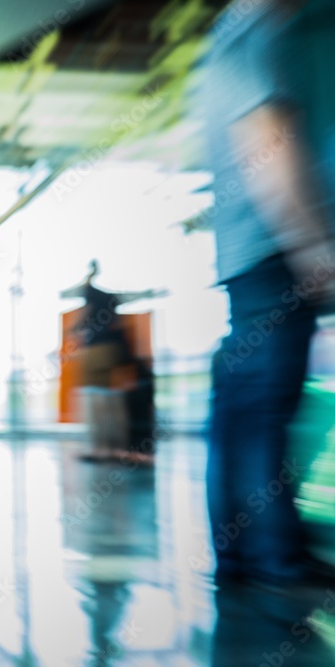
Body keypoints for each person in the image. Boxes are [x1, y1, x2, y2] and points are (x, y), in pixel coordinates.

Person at [200, 0, 335, 589]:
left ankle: (241, 557)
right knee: (264, 410)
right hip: (273, 251)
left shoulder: (230, 38)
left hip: (253, 253)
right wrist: (313, 243)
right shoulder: (252, 35)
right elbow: (267, 140)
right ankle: (275, 558)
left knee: (243, 409)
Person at [60, 261, 161, 465]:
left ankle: (100, 449)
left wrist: (74, 330)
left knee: (93, 398)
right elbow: (131, 298)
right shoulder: (111, 298)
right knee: (111, 398)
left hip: (96, 350)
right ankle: (115, 449)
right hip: (115, 351)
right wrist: (149, 294)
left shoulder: (90, 292)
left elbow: (79, 305)